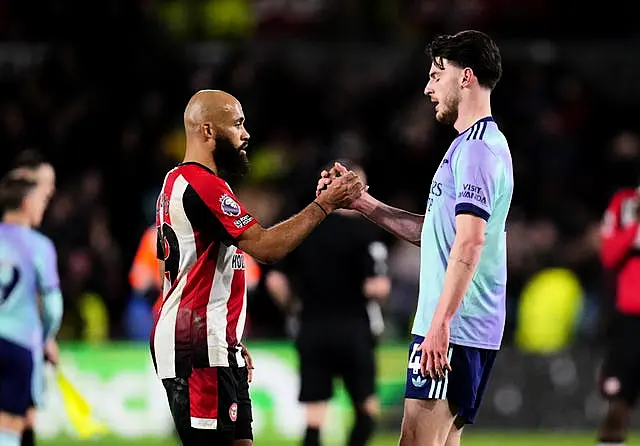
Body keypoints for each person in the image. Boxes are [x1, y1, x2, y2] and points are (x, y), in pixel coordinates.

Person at [317, 30, 512, 446]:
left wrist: (440, 323)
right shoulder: (471, 147)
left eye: (437, 75)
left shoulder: (477, 149)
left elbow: (470, 242)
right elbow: (439, 235)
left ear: (466, 77)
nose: (428, 88)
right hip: (458, 325)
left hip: (453, 327)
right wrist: (364, 203)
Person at [151, 89, 365, 446]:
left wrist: (228, 334)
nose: (245, 134)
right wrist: (325, 204)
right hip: (200, 343)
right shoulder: (203, 185)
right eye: (237, 124)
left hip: (213, 338)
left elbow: (176, 273)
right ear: (207, 131)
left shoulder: (178, 182)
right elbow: (267, 248)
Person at [265, 163, 391, 446]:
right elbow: (378, 286)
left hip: (312, 327)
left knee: (314, 416)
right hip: (354, 328)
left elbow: (275, 281)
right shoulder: (365, 234)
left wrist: (292, 307)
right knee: (366, 408)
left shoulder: (302, 229)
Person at [0, 177, 64, 446]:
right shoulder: (38, 245)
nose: (42, 208)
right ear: (26, 204)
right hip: (18, 344)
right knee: (11, 425)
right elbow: (52, 307)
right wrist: (45, 336)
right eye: (40, 202)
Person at [597, 182, 640, 446]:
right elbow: (609, 256)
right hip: (630, 318)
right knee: (619, 401)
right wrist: (635, 221)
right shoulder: (624, 203)